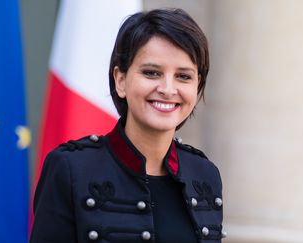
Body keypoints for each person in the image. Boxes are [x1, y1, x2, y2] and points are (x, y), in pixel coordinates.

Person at [30, 8, 225, 243]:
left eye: (183, 76)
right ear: (120, 80)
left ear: (198, 87)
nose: (167, 89)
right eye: (152, 73)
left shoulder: (205, 174)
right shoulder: (70, 168)